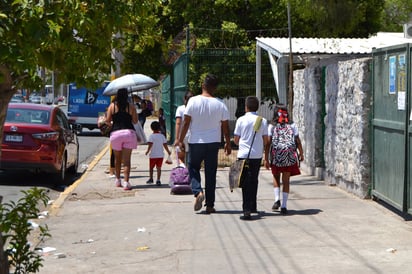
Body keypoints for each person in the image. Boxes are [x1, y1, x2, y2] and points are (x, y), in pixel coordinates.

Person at [178, 74, 232, 214]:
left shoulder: (193, 101)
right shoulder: (220, 104)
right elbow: (225, 127)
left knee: (193, 167)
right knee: (210, 173)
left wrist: (180, 139)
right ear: (215, 88)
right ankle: (209, 205)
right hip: (213, 143)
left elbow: (186, 122)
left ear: (203, 85)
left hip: (196, 141)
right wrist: (227, 143)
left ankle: (198, 192)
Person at [233, 96, 268, 219]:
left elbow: (236, 140)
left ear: (246, 107)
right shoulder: (262, 121)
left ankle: (246, 208)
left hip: (243, 155)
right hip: (257, 155)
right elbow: (266, 140)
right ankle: (253, 206)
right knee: (254, 180)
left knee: (244, 182)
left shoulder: (241, 120)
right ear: (257, 107)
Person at [264, 104, 304, 214]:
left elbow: (268, 143)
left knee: (276, 177)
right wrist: (301, 153)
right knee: (286, 180)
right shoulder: (292, 125)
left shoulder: (272, 126)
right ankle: (284, 206)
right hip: (289, 156)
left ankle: (277, 200)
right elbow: (297, 140)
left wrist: (266, 158)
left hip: (276, 155)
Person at [105, 88, 138, 190]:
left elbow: (107, 120)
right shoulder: (131, 107)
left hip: (116, 134)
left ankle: (118, 180)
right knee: (127, 161)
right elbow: (135, 121)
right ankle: (126, 182)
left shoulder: (112, 106)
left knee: (117, 159)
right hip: (129, 133)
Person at [145, 121, 171, 186]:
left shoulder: (151, 136)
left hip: (153, 155)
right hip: (160, 155)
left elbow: (150, 144)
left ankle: (151, 178)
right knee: (159, 168)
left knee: (151, 167)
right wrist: (168, 151)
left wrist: (147, 151)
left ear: (151, 128)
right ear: (159, 128)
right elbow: (165, 145)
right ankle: (158, 180)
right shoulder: (162, 136)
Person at [173, 91, 194, 164]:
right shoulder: (195, 109)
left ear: (184, 99)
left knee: (181, 157)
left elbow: (178, 123)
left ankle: (183, 172)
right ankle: (189, 172)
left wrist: (177, 138)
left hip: (183, 135)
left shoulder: (180, 109)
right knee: (191, 157)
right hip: (194, 136)